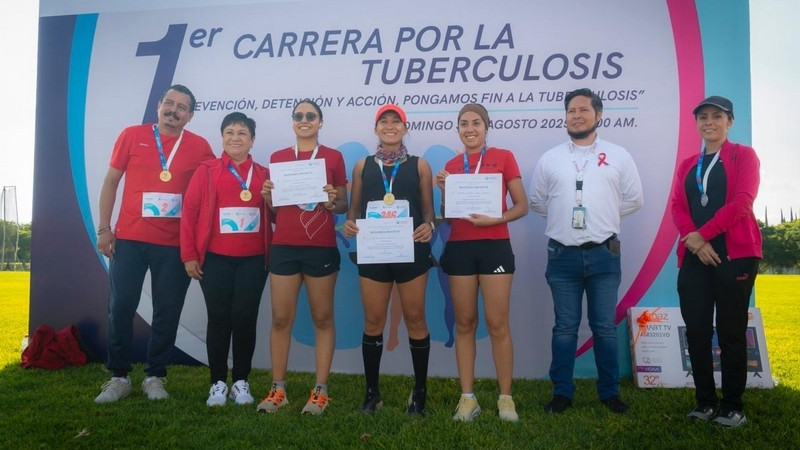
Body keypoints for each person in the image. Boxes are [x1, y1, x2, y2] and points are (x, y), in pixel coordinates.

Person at [94, 84, 215, 403]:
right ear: (159, 105)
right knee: (120, 307)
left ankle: (155, 376)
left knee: (167, 311)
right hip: (129, 240)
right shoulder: (131, 135)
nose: (173, 110)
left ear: (190, 116)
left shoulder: (201, 146)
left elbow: (213, 188)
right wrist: (104, 229)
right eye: (169, 103)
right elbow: (110, 181)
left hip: (175, 245)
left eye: (182, 107)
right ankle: (119, 377)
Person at [529, 88, 643, 415]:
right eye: (571, 111)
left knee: (604, 326)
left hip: (605, 255)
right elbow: (538, 201)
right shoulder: (550, 158)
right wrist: (567, 220)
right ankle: (562, 392)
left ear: (599, 115)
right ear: (565, 117)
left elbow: (634, 199)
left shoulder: (619, 155)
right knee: (564, 327)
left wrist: (602, 217)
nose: (576, 115)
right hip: (561, 255)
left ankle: (609, 393)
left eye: (583, 110)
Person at [670, 96, 761, 428]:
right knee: (696, 330)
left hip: (734, 256)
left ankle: (733, 405)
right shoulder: (688, 165)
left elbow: (743, 201)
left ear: (730, 121)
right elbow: (677, 206)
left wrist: (702, 234)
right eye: (703, 117)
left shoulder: (744, 155)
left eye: (717, 116)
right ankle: (705, 401)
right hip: (696, 256)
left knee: (731, 331)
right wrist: (694, 240)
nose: (709, 122)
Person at [435, 103, 528, 422]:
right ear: (458, 128)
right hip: (460, 247)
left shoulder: (504, 157)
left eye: (476, 122)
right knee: (464, 323)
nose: (470, 128)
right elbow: (449, 214)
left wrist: (496, 219)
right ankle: (467, 398)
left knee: (498, 323)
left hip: (495, 246)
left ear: (486, 127)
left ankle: (505, 398)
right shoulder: (450, 163)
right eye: (463, 123)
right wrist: (445, 190)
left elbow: (522, 205)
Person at [342, 104, 435, 416]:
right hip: (374, 251)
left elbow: (428, 210)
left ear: (405, 128)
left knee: (415, 319)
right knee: (372, 321)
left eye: (397, 121)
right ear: (376, 128)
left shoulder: (421, 166)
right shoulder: (361, 166)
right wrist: (350, 223)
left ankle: (419, 393)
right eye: (384, 121)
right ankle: (372, 394)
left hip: (411, 250)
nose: (391, 126)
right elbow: (353, 209)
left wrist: (429, 226)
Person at [257, 99, 347, 415]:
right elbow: (274, 213)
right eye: (299, 116)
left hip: (321, 247)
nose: (304, 120)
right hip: (284, 247)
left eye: (311, 116)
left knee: (322, 318)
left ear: (320, 122)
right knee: (281, 318)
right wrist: (268, 199)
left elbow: (343, 205)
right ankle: (277, 389)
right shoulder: (278, 158)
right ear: (292, 122)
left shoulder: (333, 157)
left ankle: (320, 390)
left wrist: (334, 200)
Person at [180, 112, 271, 407]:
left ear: (252, 140)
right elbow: (189, 215)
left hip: (254, 260)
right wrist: (189, 255)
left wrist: (273, 197)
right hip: (215, 259)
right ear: (222, 138)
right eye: (229, 132)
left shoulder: (265, 175)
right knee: (219, 319)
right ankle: (218, 383)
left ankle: (241, 381)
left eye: (242, 132)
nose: (235, 137)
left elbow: (279, 215)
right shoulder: (206, 170)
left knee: (245, 319)